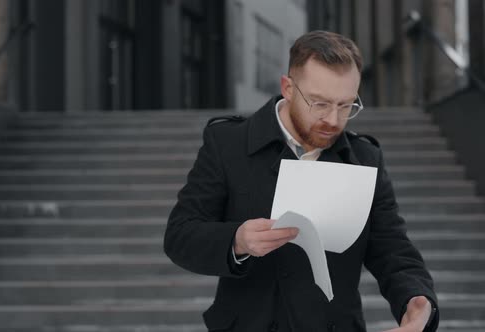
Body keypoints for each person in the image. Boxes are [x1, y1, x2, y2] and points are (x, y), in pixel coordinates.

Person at [163, 30, 438, 332]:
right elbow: (180, 236)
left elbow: (393, 249)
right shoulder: (227, 143)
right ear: (288, 88)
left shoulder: (365, 158)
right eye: (319, 104)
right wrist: (237, 240)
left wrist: (416, 298)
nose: (333, 120)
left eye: (346, 105)